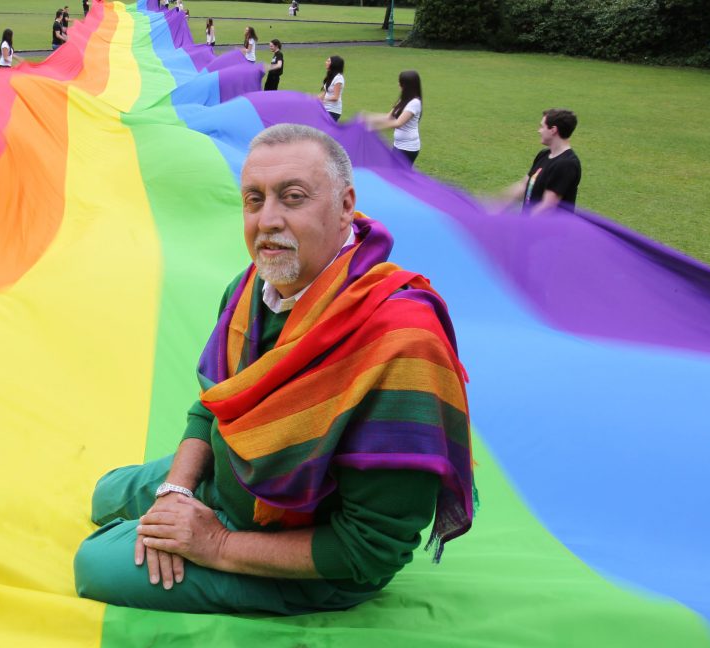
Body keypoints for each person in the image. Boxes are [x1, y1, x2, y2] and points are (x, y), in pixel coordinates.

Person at [73, 124, 475, 615]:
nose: (268, 221)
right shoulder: (249, 289)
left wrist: (214, 543)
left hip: (312, 558)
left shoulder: (400, 342)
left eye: (293, 197)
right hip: (228, 477)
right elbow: (212, 406)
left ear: (346, 205)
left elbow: (371, 547)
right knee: (102, 495)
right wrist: (177, 493)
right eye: (254, 199)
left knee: (95, 563)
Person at [501, 109, 581, 215]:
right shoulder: (544, 154)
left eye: (542, 126)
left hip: (548, 229)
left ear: (553, 130)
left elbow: (548, 205)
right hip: (532, 225)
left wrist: (523, 223)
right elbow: (523, 185)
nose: (539, 131)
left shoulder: (566, 164)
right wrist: (498, 205)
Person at [362, 70, 423, 167]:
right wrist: (367, 117)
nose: (398, 84)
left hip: (408, 148)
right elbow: (388, 117)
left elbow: (398, 123)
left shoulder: (415, 103)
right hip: (398, 145)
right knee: (396, 174)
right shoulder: (404, 99)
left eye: (401, 82)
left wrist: (373, 128)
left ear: (408, 85)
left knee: (398, 175)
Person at [319, 55, 345, 122]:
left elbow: (336, 97)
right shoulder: (330, 77)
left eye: (328, 61)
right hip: (325, 109)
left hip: (333, 110)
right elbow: (324, 94)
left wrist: (323, 99)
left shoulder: (338, 78)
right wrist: (312, 98)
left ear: (334, 64)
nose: (326, 62)